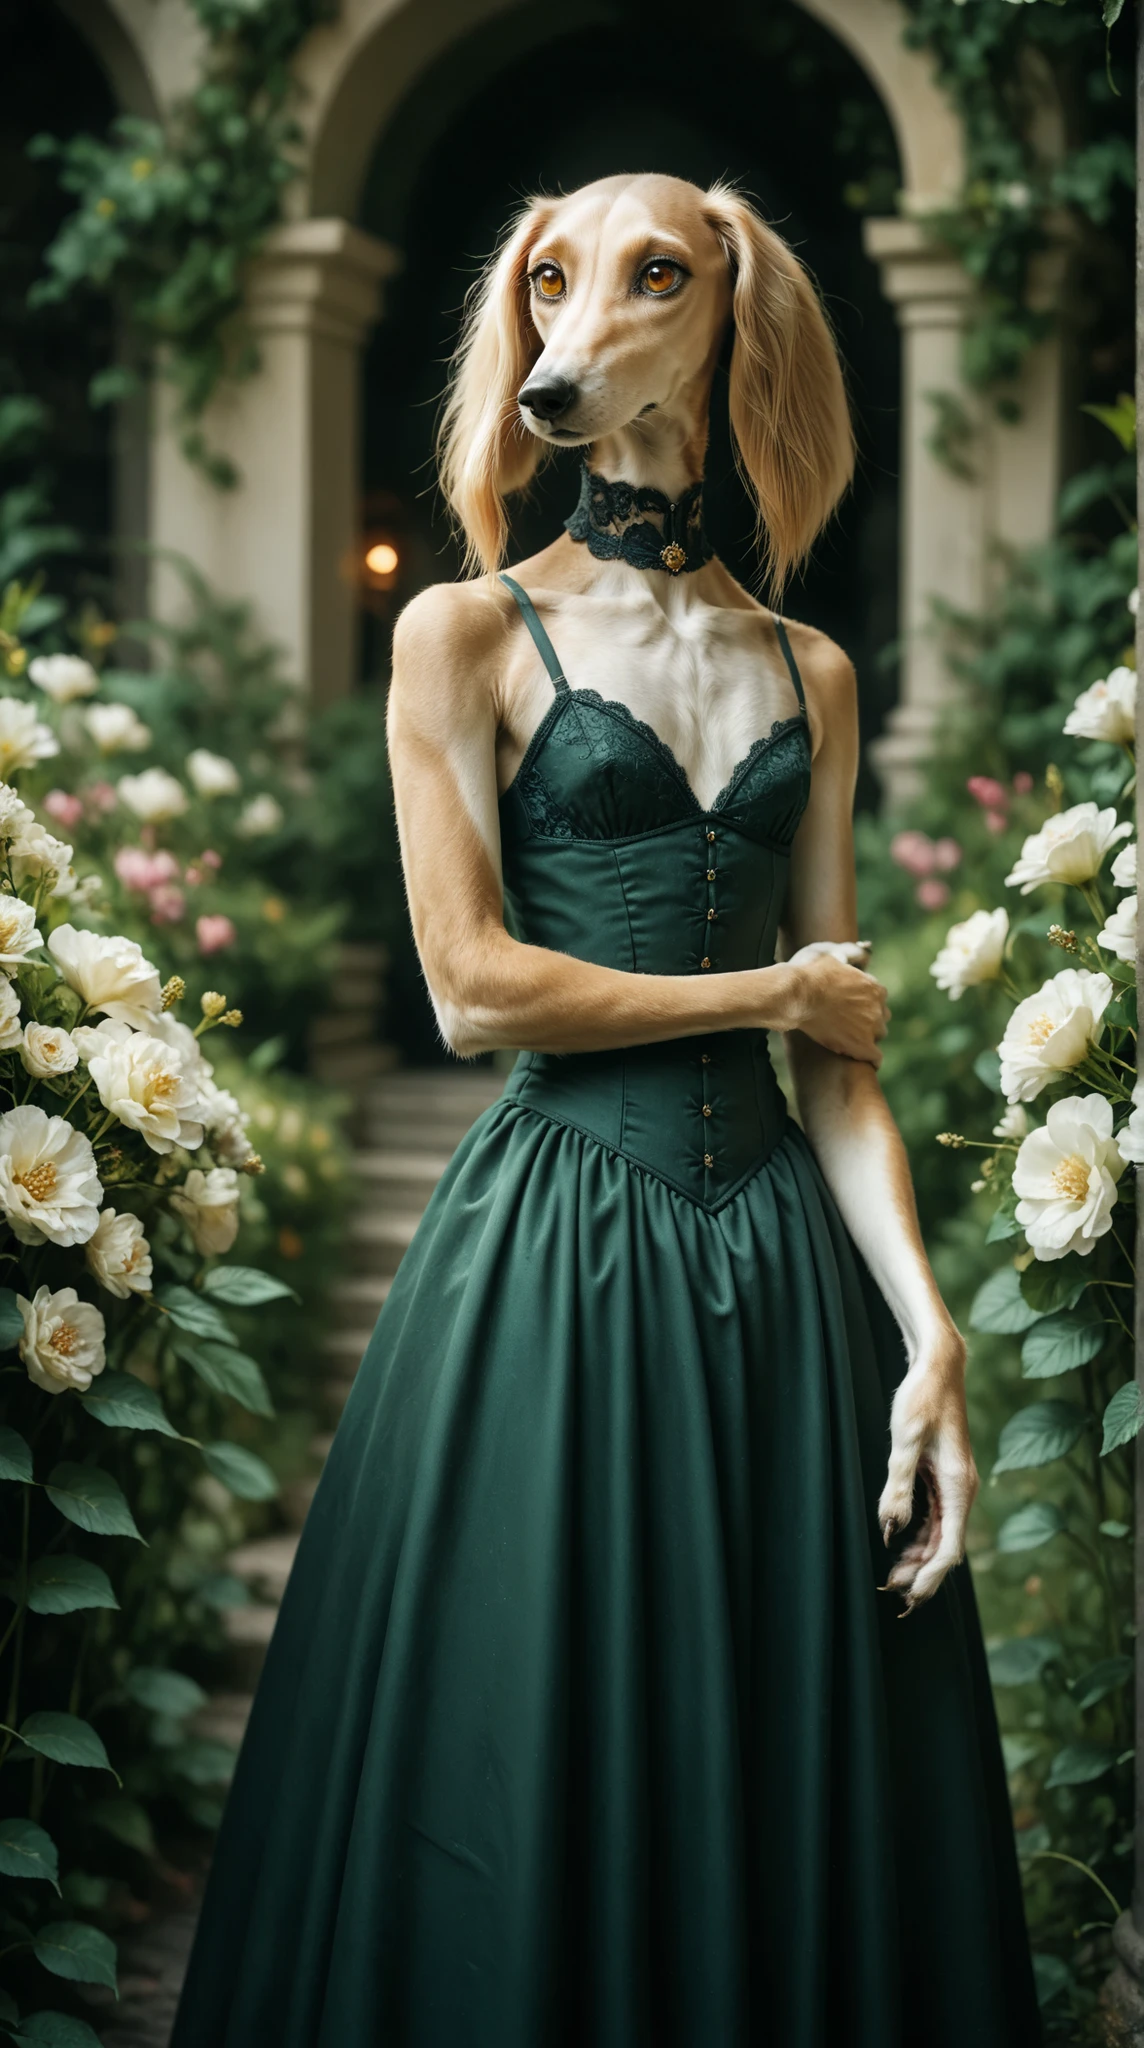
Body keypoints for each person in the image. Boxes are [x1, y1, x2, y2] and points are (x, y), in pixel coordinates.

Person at [171, 173, 1041, 2047]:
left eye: (649, 281)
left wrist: (929, 1325)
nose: (591, 326)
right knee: (527, 1755)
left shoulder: (810, 668)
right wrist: (768, 990)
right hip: (554, 1250)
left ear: (729, 314)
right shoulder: (466, 637)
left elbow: (842, 1061)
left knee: (783, 1761)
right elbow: (474, 993)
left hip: (787, 1289)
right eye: (557, 289)